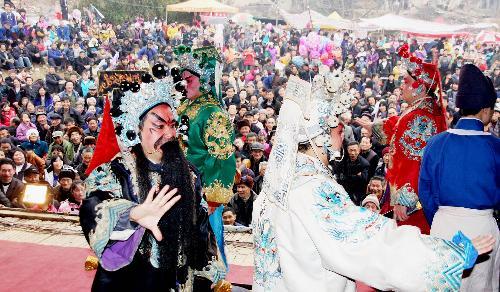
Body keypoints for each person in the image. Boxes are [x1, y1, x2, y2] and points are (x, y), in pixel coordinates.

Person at [252, 74, 495, 292]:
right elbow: (371, 244)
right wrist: (447, 256)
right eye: (336, 123)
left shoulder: (277, 186)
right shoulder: (312, 191)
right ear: (319, 134)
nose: (343, 129)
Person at [79, 71, 224, 291]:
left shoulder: (188, 173)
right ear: (137, 130)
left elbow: (202, 228)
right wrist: (132, 215)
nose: (169, 134)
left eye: (173, 125)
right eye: (159, 125)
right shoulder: (115, 171)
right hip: (129, 281)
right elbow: (92, 208)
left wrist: (206, 276)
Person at [419, 64, 500, 291]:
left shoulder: (436, 143)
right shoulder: (495, 146)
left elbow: (425, 193)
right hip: (483, 228)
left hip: (444, 224)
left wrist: (441, 217)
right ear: (485, 110)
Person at [356, 44, 448, 234]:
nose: (402, 86)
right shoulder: (422, 110)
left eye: (406, 82)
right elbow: (398, 125)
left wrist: (404, 200)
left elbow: (413, 160)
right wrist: (372, 127)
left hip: (413, 202)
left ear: (420, 87)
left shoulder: (420, 116)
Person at [174, 45, 236, 208]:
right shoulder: (184, 107)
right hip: (179, 187)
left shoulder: (213, 114)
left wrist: (212, 200)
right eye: (182, 80)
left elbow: (222, 160)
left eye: (188, 80)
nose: (183, 84)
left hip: (203, 196)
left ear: (204, 81)